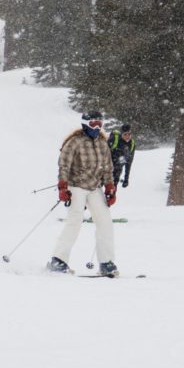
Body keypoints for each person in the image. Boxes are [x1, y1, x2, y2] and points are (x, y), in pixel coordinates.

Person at [49, 111, 118, 277]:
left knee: (105, 221)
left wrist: (110, 187)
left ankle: (106, 262)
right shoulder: (75, 142)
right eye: (94, 124)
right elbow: (64, 165)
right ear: (85, 124)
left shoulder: (102, 143)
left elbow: (108, 167)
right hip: (76, 186)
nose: (97, 127)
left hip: (95, 187)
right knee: (75, 220)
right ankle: (58, 260)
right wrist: (63, 187)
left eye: (100, 124)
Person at [108, 123, 136, 189]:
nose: (127, 136)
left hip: (117, 171)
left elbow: (129, 163)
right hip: (106, 168)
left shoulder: (132, 144)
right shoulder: (114, 140)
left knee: (112, 192)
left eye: (129, 134)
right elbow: (103, 153)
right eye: (125, 134)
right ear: (121, 134)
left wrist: (126, 179)